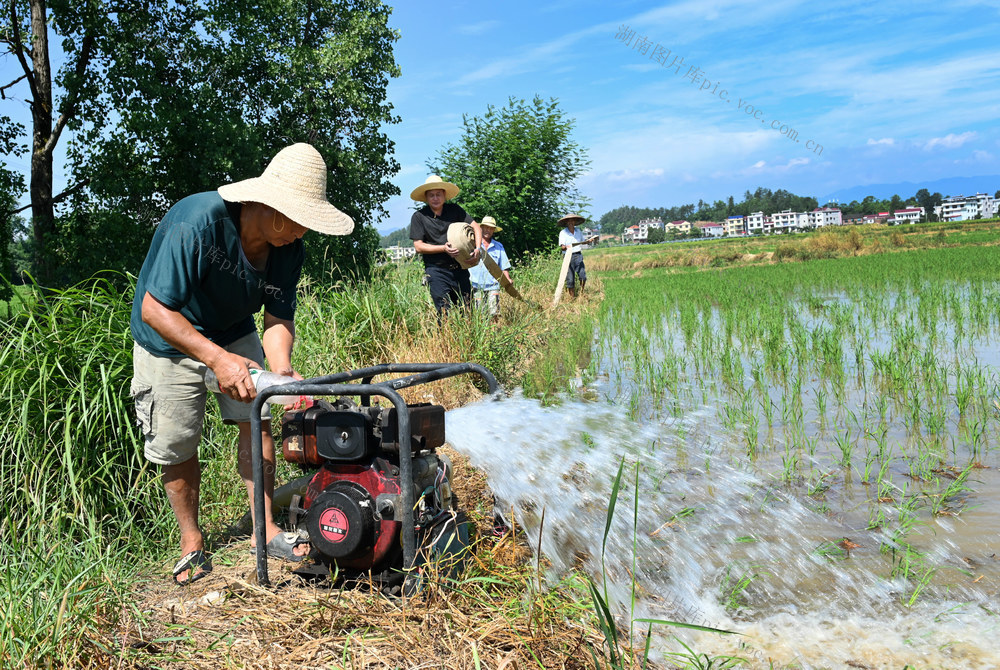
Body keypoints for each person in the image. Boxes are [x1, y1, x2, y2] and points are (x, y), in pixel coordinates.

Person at [129, 143, 354, 585]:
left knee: (258, 418)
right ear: (268, 205)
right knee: (177, 441)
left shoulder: (287, 247)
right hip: (168, 335)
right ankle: (191, 543)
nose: (302, 233)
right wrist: (216, 359)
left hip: (232, 327)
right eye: (299, 220)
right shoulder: (197, 221)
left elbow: (277, 318)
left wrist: (282, 371)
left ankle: (264, 529)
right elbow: (157, 309)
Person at [408, 175, 482, 314]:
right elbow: (418, 246)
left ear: (444, 195)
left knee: (468, 309)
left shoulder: (455, 210)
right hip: (436, 270)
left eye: (438, 194)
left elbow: (476, 227)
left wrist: (478, 248)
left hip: (460, 268)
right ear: (426, 197)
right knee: (443, 311)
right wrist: (443, 248)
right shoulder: (419, 216)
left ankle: (469, 335)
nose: (435, 198)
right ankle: (444, 335)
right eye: (431, 195)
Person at [468, 216, 512, 317]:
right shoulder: (472, 244)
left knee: (494, 313)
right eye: (486, 227)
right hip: (475, 284)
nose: (488, 230)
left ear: (494, 230)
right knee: (479, 313)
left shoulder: (498, 246)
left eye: (491, 228)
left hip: (493, 284)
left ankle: (494, 332)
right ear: (481, 228)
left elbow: (504, 265)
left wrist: (507, 279)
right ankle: (482, 332)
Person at [557, 213, 598, 297]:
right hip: (568, 256)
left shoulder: (578, 231)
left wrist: (589, 241)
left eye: (573, 220)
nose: (571, 222)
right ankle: (572, 298)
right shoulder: (563, 233)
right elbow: (562, 246)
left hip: (578, 255)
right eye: (569, 221)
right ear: (566, 222)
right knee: (570, 279)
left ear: (575, 222)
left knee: (583, 276)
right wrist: (565, 247)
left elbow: (583, 241)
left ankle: (581, 294)